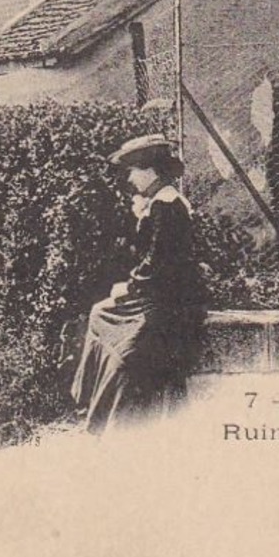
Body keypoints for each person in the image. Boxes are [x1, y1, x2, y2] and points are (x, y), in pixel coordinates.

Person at [71, 133, 205, 433]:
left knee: (126, 353)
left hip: (171, 303)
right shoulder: (154, 204)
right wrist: (137, 220)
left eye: (133, 171)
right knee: (98, 314)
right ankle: (89, 406)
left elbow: (161, 263)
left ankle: (114, 423)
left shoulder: (169, 205)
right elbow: (146, 256)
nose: (130, 178)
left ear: (150, 171)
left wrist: (130, 286)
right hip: (155, 293)